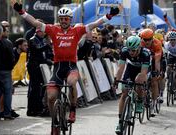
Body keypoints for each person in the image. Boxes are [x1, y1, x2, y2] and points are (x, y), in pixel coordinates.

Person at [11, 0, 120, 134]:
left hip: (71, 66)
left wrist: (109, 16)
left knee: (71, 82)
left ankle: (73, 109)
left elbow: (94, 25)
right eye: (61, 19)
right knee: (51, 97)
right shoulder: (53, 29)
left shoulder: (77, 30)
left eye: (66, 19)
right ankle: (54, 122)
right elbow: (35, 23)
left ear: (70, 20)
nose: (63, 21)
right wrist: (21, 11)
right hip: (58, 67)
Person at [114, 35, 151, 134]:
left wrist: (140, 81)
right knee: (124, 93)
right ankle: (120, 122)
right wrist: (116, 81)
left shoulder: (145, 53)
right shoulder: (125, 51)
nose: (131, 53)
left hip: (143, 69)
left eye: (133, 50)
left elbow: (143, 73)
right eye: (130, 50)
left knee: (139, 81)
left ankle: (139, 100)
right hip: (131, 68)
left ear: (139, 47)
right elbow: (121, 68)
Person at [0, 21, 15, 120]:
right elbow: (11, 57)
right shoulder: (8, 43)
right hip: (6, 71)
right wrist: (11, 67)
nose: (7, 32)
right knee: (7, 92)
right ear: (3, 32)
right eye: (6, 30)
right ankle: (7, 113)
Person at [139, 28, 163, 116]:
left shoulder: (157, 43)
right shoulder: (140, 43)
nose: (147, 41)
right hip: (145, 59)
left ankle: (154, 102)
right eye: (145, 39)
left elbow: (157, 61)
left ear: (152, 38)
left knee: (154, 81)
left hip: (155, 59)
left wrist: (157, 72)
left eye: (149, 39)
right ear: (142, 39)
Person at [164, 31, 176, 101]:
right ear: (169, 39)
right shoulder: (166, 44)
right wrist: (167, 64)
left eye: (174, 40)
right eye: (171, 39)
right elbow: (166, 55)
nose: (172, 41)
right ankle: (169, 77)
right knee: (168, 67)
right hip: (171, 56)